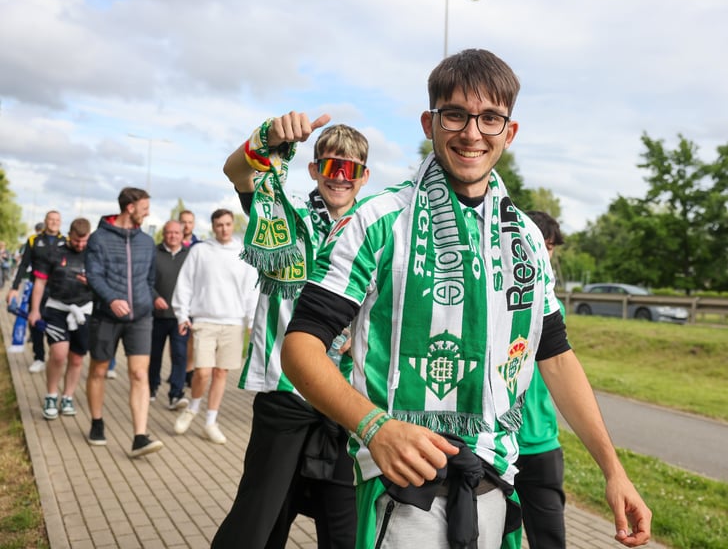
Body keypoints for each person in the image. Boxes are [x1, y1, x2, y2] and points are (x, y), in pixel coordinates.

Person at [281, 49, 652, 548]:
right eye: (455, 114)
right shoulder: (377, 220)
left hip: (495, 483)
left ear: (509, 132)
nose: (472, 133)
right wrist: (375, 427)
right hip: (401, 489)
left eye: (490, 118)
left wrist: (614, 471)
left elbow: (557, 358)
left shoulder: (522, 236)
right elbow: (301, 345)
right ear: (429, 123)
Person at [212, 117, 370, 548]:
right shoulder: (283, 211)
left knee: (347, 532)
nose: (340, 177)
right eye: (331, 166)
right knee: (258, 525)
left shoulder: (376, 229)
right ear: (314, 169)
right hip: (285, 395)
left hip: (345, 403)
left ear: (364, 177)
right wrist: (268, 137)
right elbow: (238, 172)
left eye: (351, 169)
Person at [85, 187, 163, 458]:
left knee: (140, 374)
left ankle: (139, 436)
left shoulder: (147, 242)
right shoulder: (98, 239)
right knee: (98, 369)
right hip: (107, 315)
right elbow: (94, 276)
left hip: (140, 317)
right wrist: (111, 300)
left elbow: (149, 280)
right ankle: (96, 422)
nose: (148, 212)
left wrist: (151, 298)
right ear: (130, 207)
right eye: (145, 207)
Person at [171, 208, 257, 445]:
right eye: (219, 225)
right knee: (202, 371)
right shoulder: (200, 251)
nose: (224, 229)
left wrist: (251, 321)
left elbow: (251, 289)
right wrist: (182, 314)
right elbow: (185, 283)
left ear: (232, 225)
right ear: (213, 226)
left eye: (228, 224)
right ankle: (192, 407)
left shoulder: (243, 252)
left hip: (233, 322)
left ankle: (210, 421)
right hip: (205, 320)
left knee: (221, 373)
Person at [516, 210, 568, 548]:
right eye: (539, 243)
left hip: (542, 442)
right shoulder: (493, 298)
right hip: (494, 444)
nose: (544, 252)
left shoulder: (554, 307)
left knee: (550, 539)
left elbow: (561, 367)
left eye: (549, 247)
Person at [27, 218, 92, 420]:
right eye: (76, 241)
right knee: (58, 355)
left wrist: (91, 282)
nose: (80, 245)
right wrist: (34, 310)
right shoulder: (54, 253)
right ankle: (51, 395)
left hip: (83, 310)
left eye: (84, 242)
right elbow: (39, 282)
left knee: (77, 358)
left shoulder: (94, 255)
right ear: (69, 235)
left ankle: (68, 396)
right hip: (57, 308)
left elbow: (104, 283)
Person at [7, 213, 64, 373]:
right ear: (46, 222)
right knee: (35, 322)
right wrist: (14, 287)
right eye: (51, 219)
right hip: (36, 288)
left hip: (57, 290)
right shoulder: (34, 240)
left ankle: (56, 356)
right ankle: (39, 357)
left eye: (57, 220)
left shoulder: (65, 242)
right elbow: (24, 265)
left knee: (56, 323)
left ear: (60, 223)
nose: (54, 223)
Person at [149, 220, 190, 409]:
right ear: (163, 234)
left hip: (180, 317)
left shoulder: (189, 255)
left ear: (182, 235)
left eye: (176, 233)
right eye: (169, 232)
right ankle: (151, 386)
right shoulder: (154, 253)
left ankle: (176, 393)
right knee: (154, 354)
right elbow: (144, 280)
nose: (172, 236)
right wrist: (155, 297)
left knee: (180, 355)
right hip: (157, 315)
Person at [179, 210, 200, 387]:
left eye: (189, 222)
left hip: (194, 299)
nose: (186, 225)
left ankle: (188, 370)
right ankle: (178, 369)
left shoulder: (198, 246)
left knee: (191, 339)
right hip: (175, 297)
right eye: (183, 222)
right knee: (177, 341)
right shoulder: (172, 242)